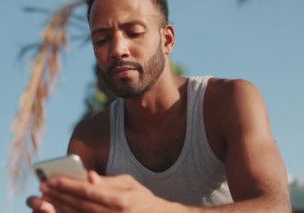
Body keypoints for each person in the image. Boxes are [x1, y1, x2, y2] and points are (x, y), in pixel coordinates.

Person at [27, 0, 291, 212]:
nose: (118, 49)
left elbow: (275, 206)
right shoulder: (90, 138)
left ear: (167, 40)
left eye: (133, 32)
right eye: (102, 40)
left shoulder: (228, 101)